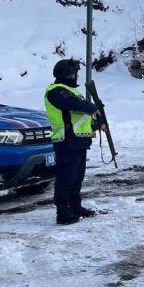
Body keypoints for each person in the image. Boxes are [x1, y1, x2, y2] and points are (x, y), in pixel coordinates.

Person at [44, 59, 103, 225]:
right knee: (66, 177)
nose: (75, 76)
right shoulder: (56, 91)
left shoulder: (72, 91)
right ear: (65, 74)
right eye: (73, 73)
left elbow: (79, 117)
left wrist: (97, 124)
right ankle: (62, 212)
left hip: (79, 140)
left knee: (77, 177)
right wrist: (92, 107)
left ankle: (75, 207)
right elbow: (72, 105)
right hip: (66, 140)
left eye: (75, 73)